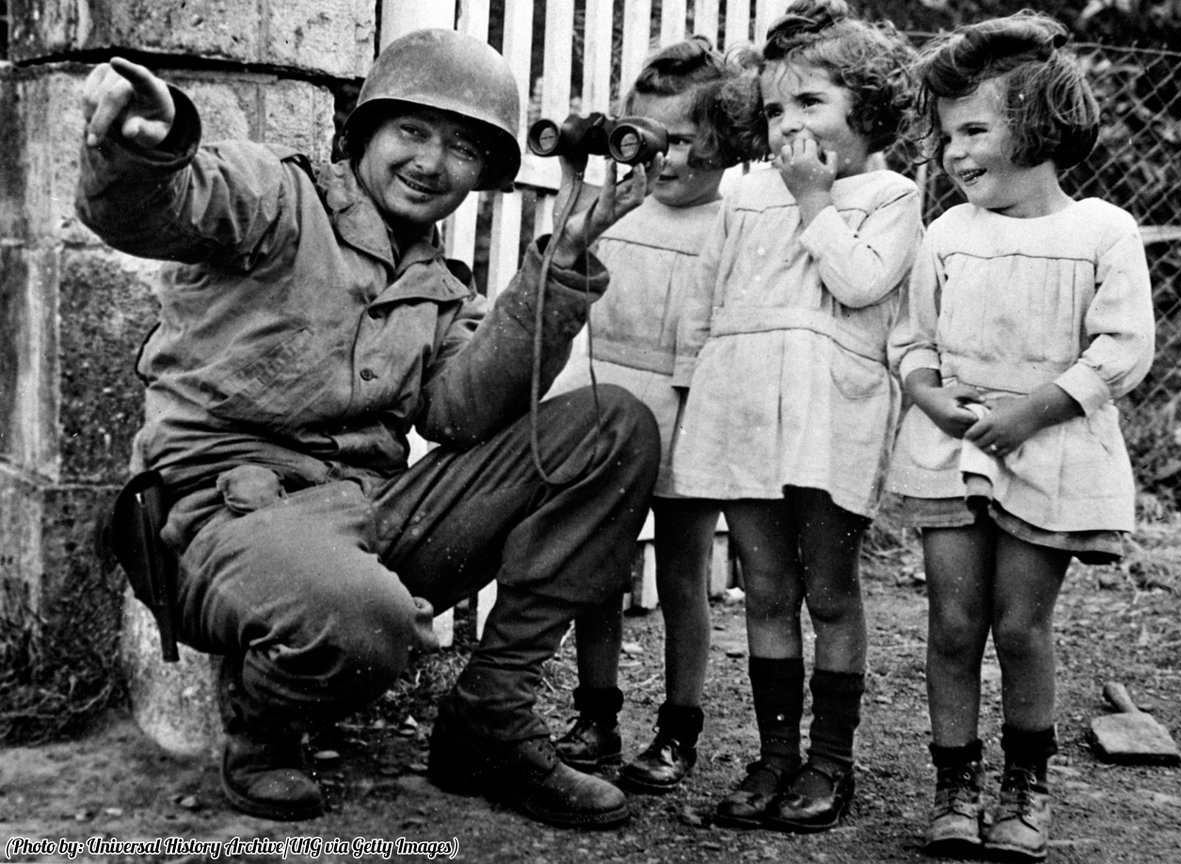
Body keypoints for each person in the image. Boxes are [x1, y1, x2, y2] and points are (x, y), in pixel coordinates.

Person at [77, 28, 663, 830]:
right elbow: (162, 206)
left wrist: (560, 260)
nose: (431, 162)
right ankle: (263, 729)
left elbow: (461, 412)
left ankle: (490, 715)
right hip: (219, 521)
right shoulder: (278, 197)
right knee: (362, 615)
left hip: (369, 517)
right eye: (412, 131)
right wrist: (149, 145)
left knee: (612, 425)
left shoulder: (437, 285)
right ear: (366, 133)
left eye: (462, 147)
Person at [887, 13, 1154, 861]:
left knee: (1021, 625)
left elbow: (1121, 349)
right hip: (955, 445)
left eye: (975, 129)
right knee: (954, 622)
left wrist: (1033, 411)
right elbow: (912, 337)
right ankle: (953, 787)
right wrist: (929, 399)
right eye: (946, 136)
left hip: (1049, 443)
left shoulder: (1102, 231)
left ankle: (1024, 789)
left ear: (1037, 125)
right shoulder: (947, 233)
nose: (953, 153)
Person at [669, 0, 921, 833]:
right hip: (743, 403)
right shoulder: (743, 196)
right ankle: (774, 759)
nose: (788, 126)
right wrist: (689, 392)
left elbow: (858, 284)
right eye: (776, 108)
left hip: (828, 414)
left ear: (868, 111)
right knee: (766, 589)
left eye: (811, 104)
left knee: (830, 590)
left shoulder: (889, 196)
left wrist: (816, 200)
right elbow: (705, 303)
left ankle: (830, 763)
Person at [546, 36, 739, 794]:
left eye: (689, 142)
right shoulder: (613, 206)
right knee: (598, 567)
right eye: (652, 139)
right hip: (605, 404)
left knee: (684, 576)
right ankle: (596, 713)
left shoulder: (730, 223)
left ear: (727, 143)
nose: (668, 160)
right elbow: (563, 262)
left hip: (685, 408)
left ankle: (678, 728)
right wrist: (574, 171)